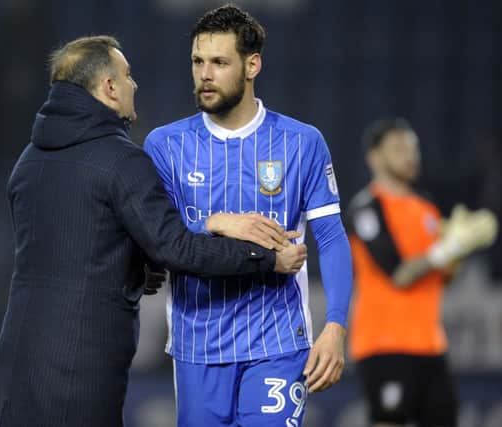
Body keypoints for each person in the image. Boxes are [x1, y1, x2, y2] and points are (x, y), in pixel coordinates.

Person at [0, 35, 308, 427]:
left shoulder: (28, 161)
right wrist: (265, 258)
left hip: (17, 356)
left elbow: (74, 244)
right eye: (126, 75)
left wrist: (134, 269)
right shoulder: (120, 160)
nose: (133, 84)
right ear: (108, 88)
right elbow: (176, 250)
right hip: (81, 364)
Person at [143, 5, 353, 426]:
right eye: (198, 62)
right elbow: (157, 238)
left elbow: (330, 238)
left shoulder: (301, 143)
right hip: (198, 345)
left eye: (219, 62)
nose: (205, 74)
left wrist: (336, 326)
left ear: (252, 64)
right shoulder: (165, 145)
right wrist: (215, 222)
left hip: (276, 341)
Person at [346, 117, 498, 427]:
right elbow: (399, 275)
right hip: (384, 344)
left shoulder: (426, 209)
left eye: (413, 148)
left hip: (430, 345)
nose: (410, 155)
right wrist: (446, 248)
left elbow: (445, 278)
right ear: (375, 158)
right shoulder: (367, 208)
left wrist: (460, 248)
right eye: (399, 148)